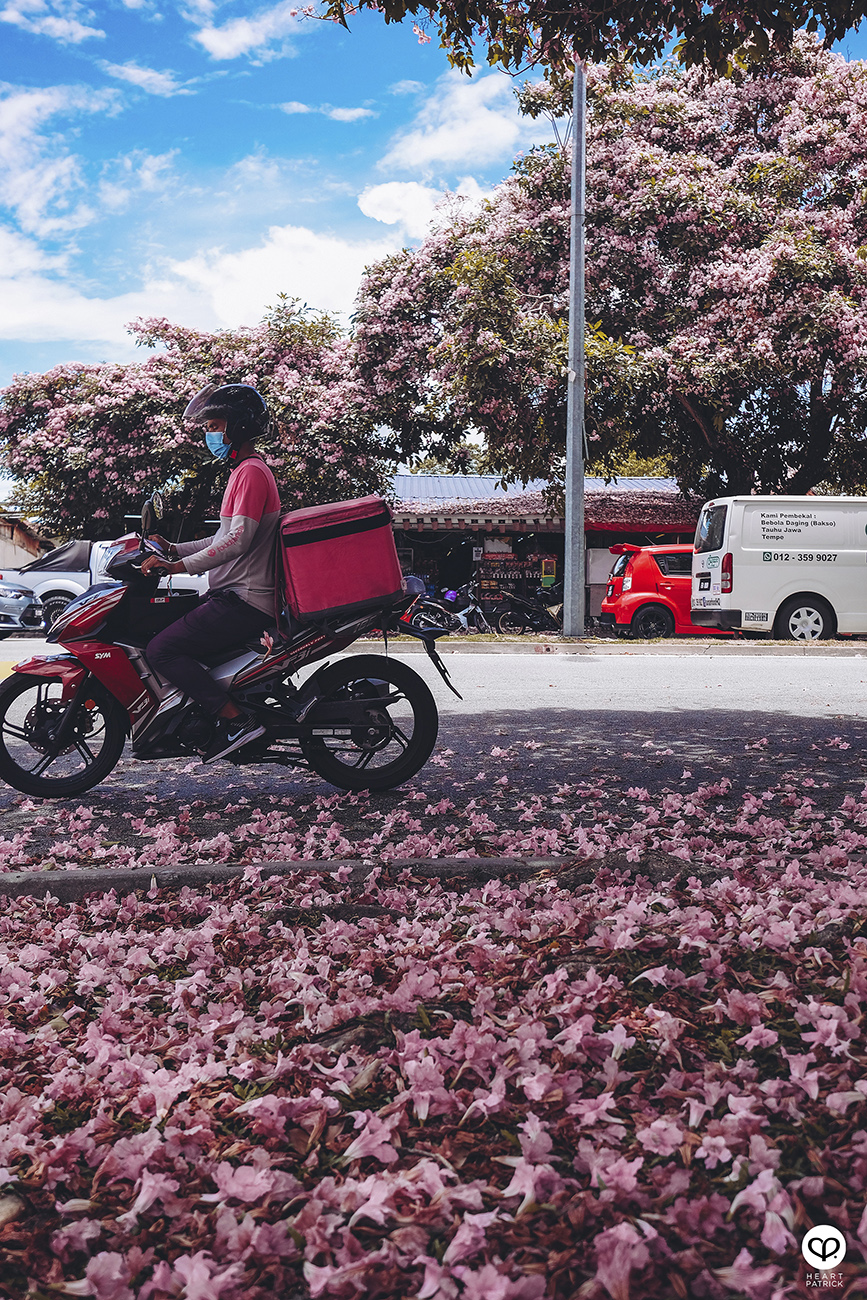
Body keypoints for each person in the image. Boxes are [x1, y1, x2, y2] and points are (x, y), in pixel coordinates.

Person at [142, 383, 282, 764]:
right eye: (206, 427)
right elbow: (221, 537)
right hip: (234, 595)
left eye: (215, 425)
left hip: (245, 599)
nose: (209, 435)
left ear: (236, 427)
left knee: (162, 649)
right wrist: (173, 548)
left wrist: (177, 566)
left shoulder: (251, 473)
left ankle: (237, 721)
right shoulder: (242, 472)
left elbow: (237, 541)